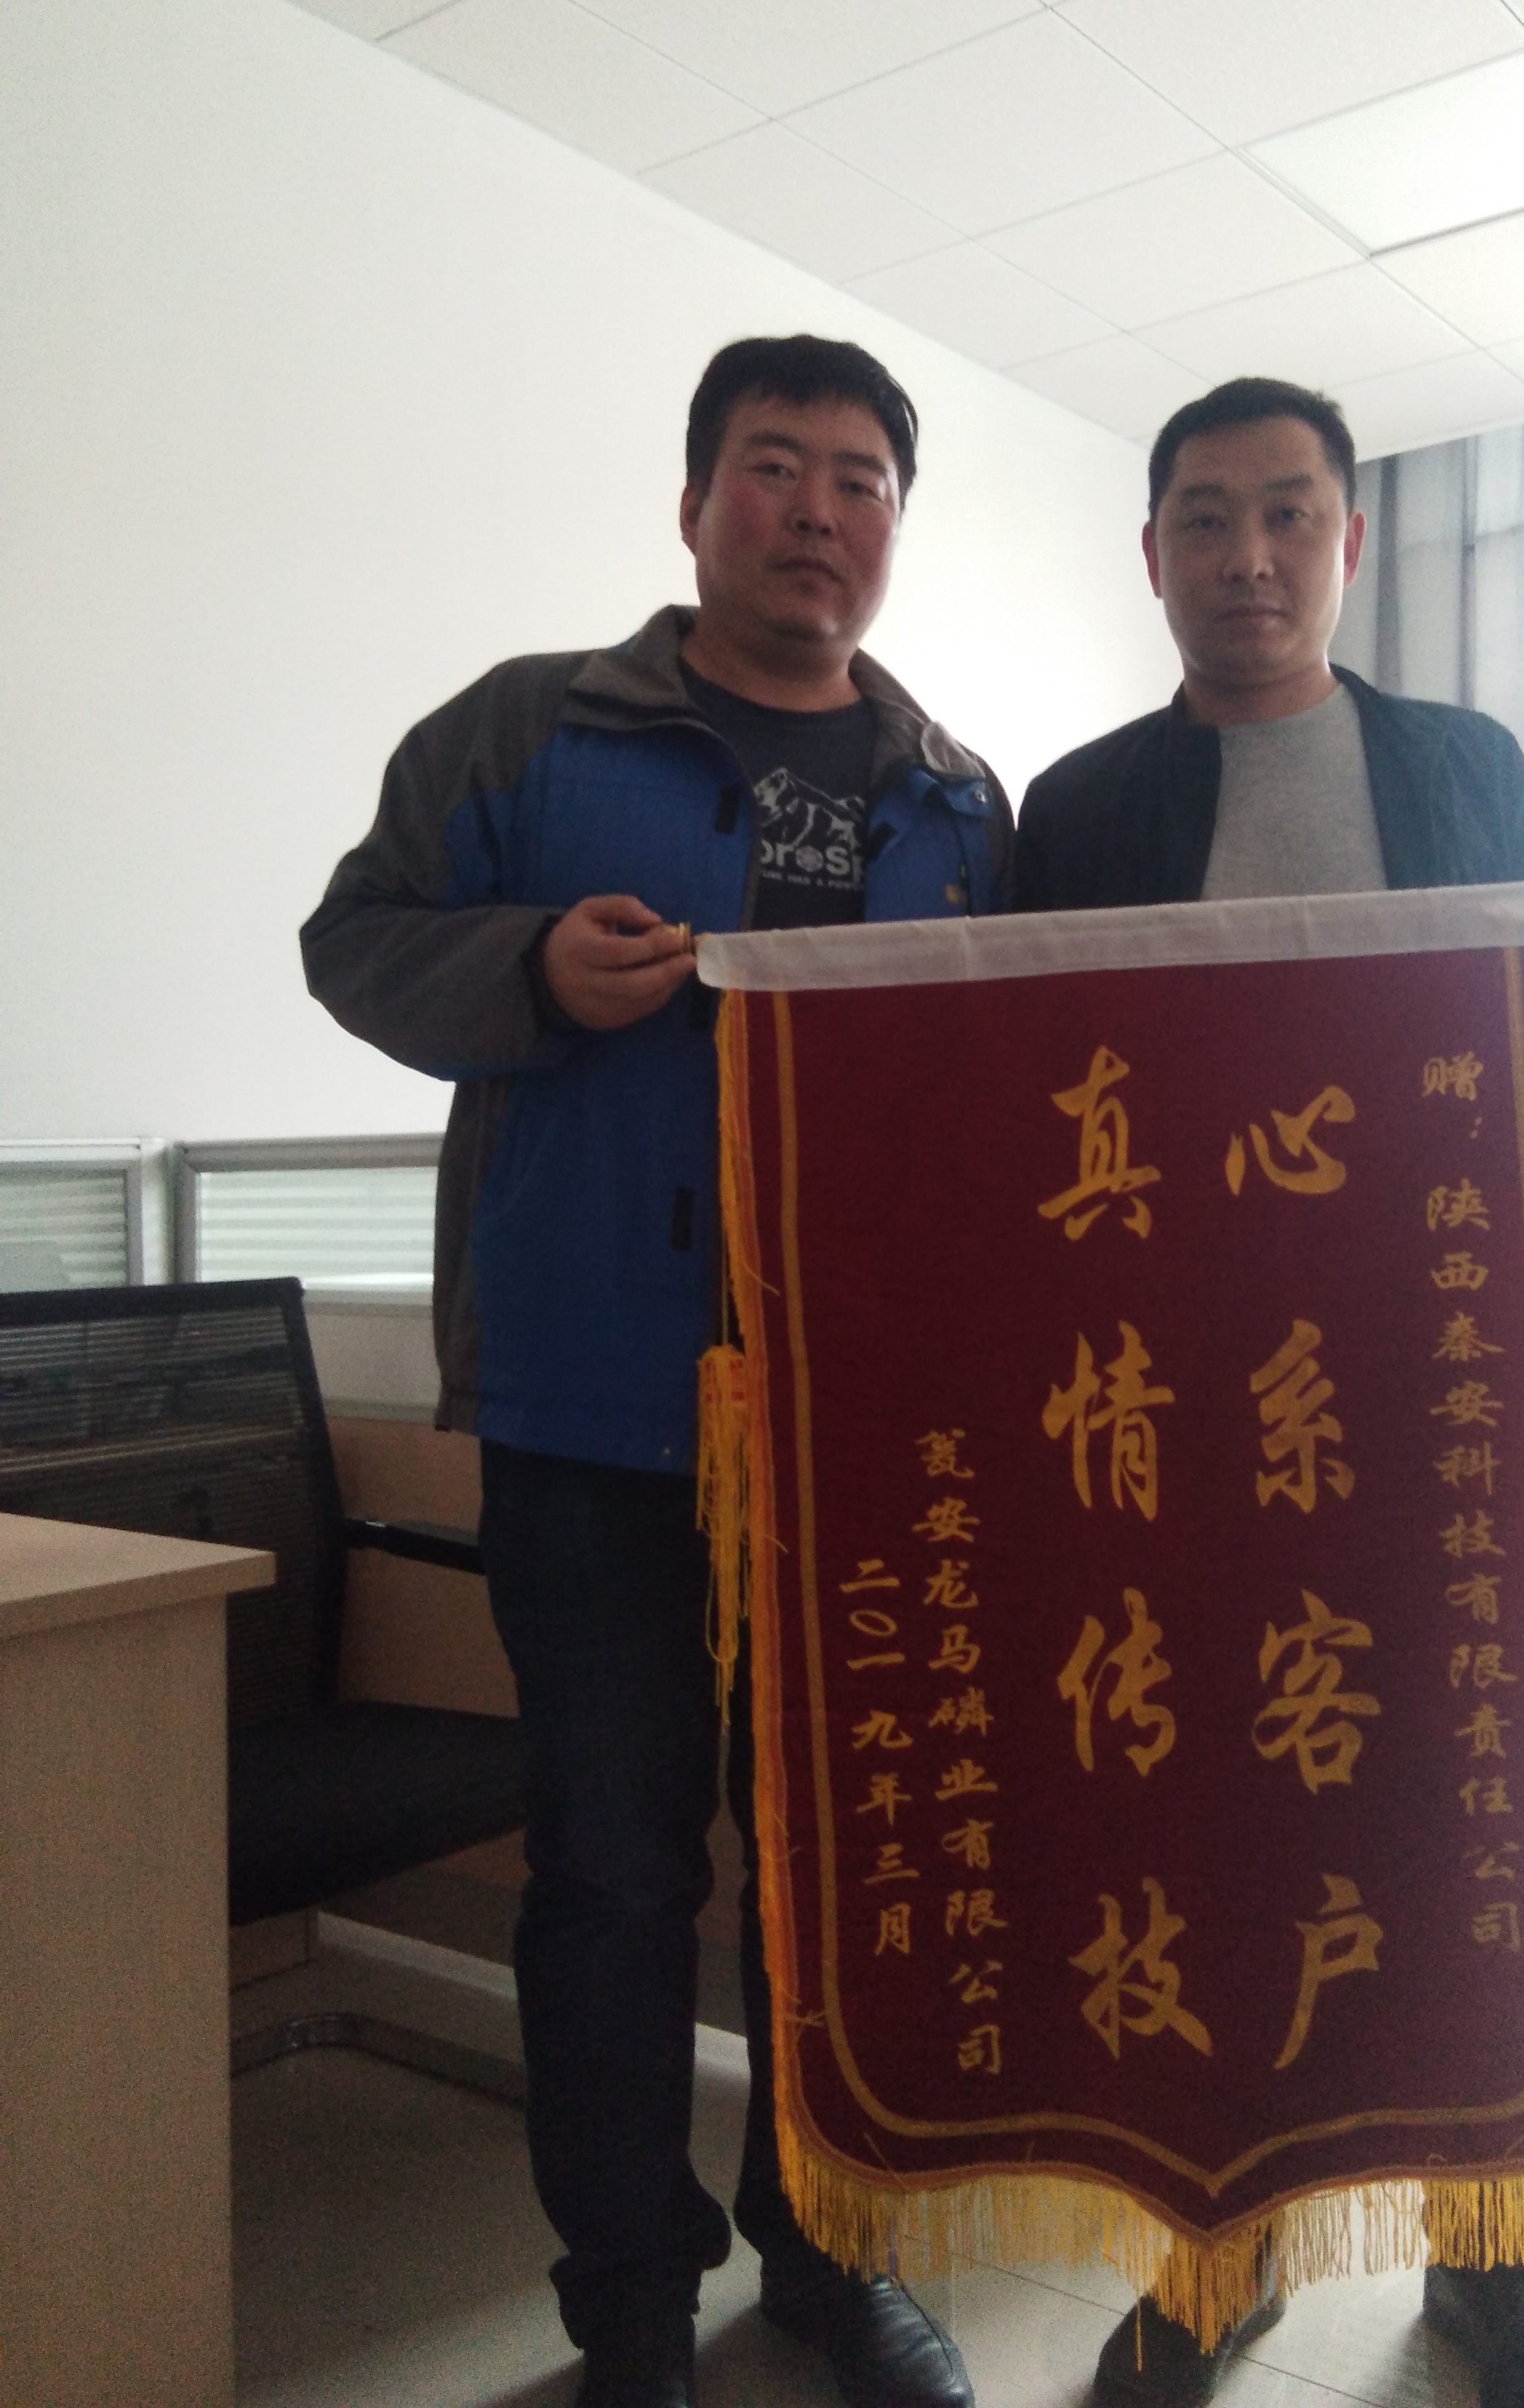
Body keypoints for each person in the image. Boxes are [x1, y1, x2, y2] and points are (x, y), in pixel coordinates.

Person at [302, 335, 1004, 2408]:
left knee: (841, 1873)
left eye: (862, 480)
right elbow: (356, 940)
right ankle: (626, 2308)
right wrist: (523, 967)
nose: (818, 511)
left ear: (893, 530)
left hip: (855, 1431)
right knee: (612, 1876)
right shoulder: (530, 729)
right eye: (775, 467)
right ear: (696, 503)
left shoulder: (958, 797)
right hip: (591, 1414)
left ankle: (828, 2255)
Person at [1013, 374, 1524, 2408]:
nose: (1250, 559)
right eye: (1207, 521)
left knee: (1467, 1795)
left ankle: (1494, 2237)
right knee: (1213, 1815)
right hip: (1183, 1401)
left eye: (1290, 515)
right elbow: (1031, 1104)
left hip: (1427, 1373)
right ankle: (1218, 2253)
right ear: (1152, 555)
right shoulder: (1081, 808)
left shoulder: (1464, 764)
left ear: (1351, 542)